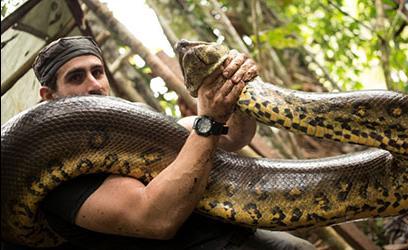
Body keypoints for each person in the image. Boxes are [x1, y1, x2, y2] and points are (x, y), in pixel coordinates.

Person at [2, 36, 315, 250]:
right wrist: (210, 121)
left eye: (98, 72)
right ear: (49, 96)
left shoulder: (135, 128)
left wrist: (236, 92)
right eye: (76, 77)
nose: (94, 85)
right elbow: (155, 219)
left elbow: (233, 136)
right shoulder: (56, 181)